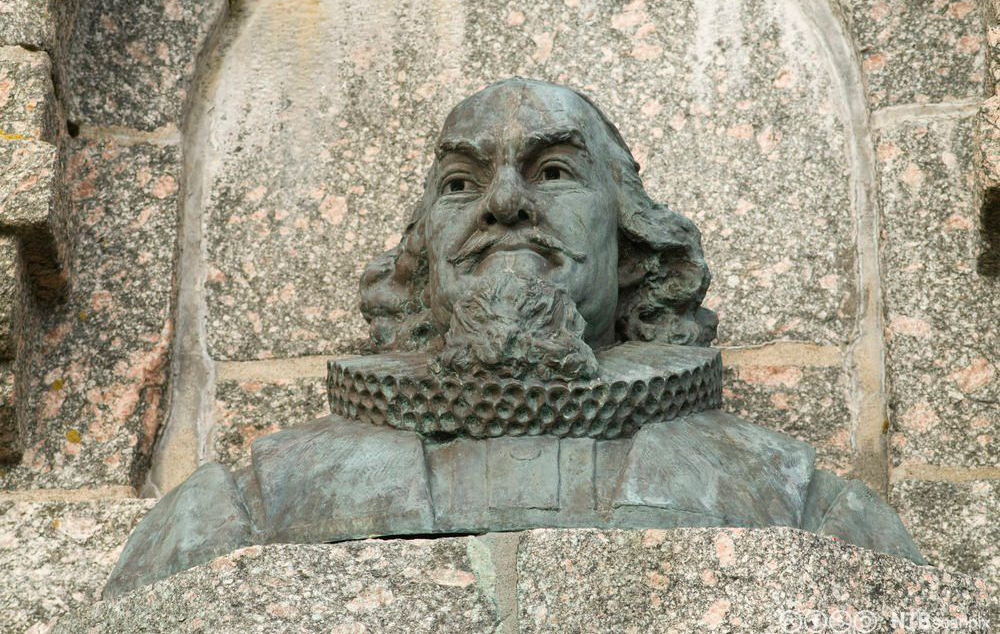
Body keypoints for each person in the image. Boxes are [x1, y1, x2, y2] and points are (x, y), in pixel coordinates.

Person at [104, 79, 923, 599]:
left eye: (554, 172)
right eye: (461, 183)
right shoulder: (239, 510)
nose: (502, 203)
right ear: (421, 259)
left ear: (636, 249)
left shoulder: (799, 504)